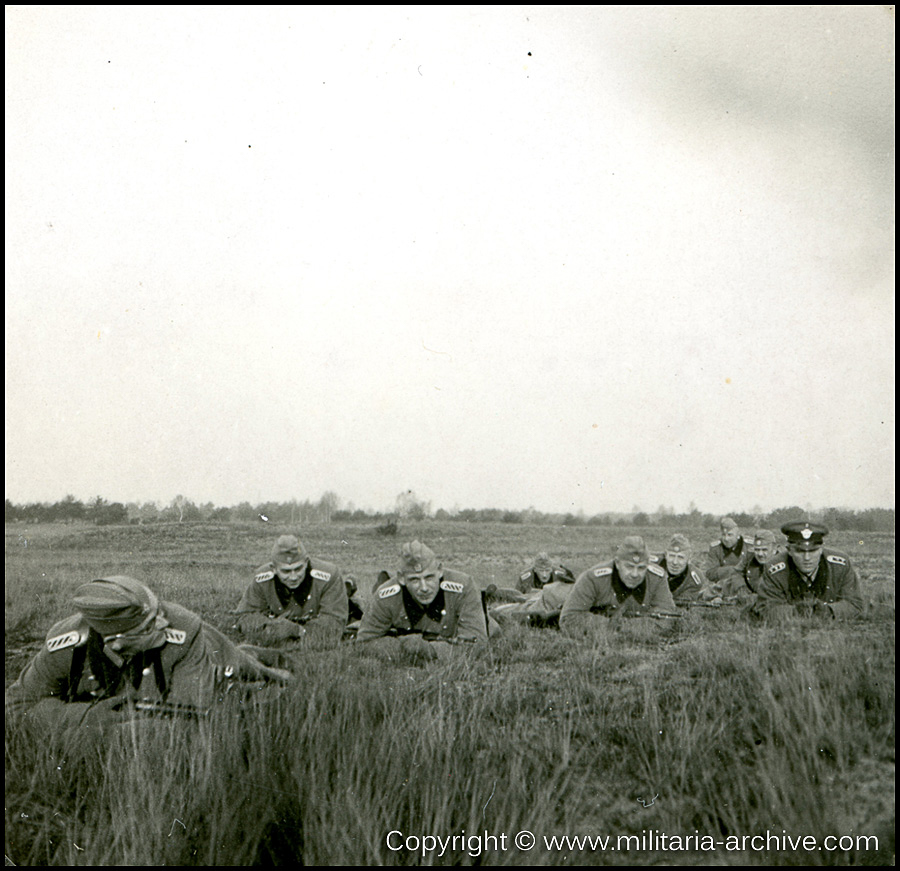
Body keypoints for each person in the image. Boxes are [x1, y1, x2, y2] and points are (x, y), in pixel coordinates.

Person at [6, 576, 292, 734]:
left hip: (204, 648)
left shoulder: (182, 627)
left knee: (252, 670)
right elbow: (16, 706)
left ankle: (261, 659)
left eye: (157, 614)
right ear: (115, 642)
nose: (162, 623)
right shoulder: (64, 645)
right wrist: (87, 716)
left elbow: (193, 715)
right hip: (149, 685)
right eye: (149, 626)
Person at [356, 540, 488, 658]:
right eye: (414, 580)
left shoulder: (463, 586)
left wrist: (429, 650)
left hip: (478, 625)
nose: (424, 588)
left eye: (429, 577)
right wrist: (403, 646)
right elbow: (364, 642)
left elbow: (477, 644)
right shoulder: (385, 595)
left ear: (440, 570)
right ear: (402, 578)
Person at [235, 534, 348, 647]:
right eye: (286, 571)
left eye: (298, 569)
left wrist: (297, 631)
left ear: (306, 562)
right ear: (274, 569)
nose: (293, 577)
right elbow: (245, 616)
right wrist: (273, 627)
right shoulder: (262, 579)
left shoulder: (329, 576)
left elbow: (335, 623)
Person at [559, 536, 678, 636]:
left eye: (641, 568)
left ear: (647, 565)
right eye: (629, 566)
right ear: (617, 563)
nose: (635, 574)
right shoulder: (593, 578)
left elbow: (667, 618)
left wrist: (622, 626)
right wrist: (614, 625)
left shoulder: (657, 577)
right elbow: (568, 619)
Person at [754, 522, 864, 621]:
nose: (807, 558)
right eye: (800, 551)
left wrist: (830, 611)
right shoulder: (774, 569)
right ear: (789, 551)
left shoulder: (840, 565)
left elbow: (855, 604)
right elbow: (765, 608)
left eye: (813, 551)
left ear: (821, 549)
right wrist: (796, 612)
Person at [487, 552, 577, 627]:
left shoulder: (561, 574)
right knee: (519, 599)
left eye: (547, 570)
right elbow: (519, 594)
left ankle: (495, 608)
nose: (545, 575)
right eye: (541, 570)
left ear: (552, 569)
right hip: (535, 595)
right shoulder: (526, 576)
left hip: (544, 596)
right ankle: (495, 595)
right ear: (535, 570)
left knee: (522, 604)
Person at [652, 534, 707, 605]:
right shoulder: (652, 566)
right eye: (671, 556)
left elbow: (681, 604)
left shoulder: (694, 579)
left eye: (680, 557)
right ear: (665, 554)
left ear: (689, 557)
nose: (675, 562)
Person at [704, 517, 748, 583]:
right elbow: (710, 573)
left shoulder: (748, 546)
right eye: (723, 535)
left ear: (738, 535)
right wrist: (734, 570)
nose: (726, 539)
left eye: (730, 535)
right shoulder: (716, 548)